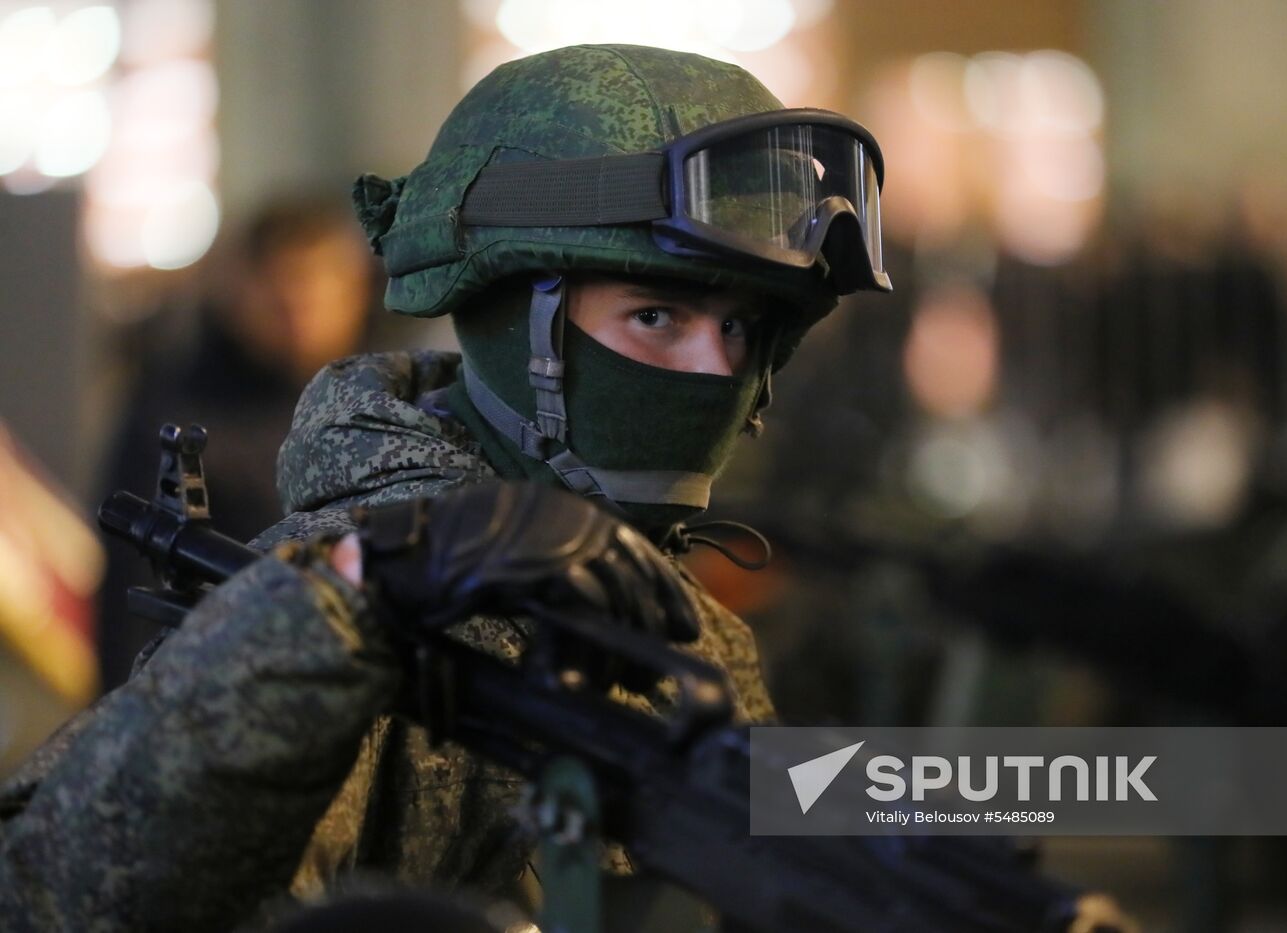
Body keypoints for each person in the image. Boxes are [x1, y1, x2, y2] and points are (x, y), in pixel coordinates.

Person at [0, 44, 891, 931]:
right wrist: (349, 600)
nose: (716, 366)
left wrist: (1003, 788)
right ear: (516, 324)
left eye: (741, 324)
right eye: (657, 315)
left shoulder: (684, 619)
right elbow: (51, 890)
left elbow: (818, 814)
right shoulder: (345, 622)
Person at [95, 197, 376, 690]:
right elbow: (130, 590)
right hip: (218, 693)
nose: (300, 314)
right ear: (237, 291)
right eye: (282, 290)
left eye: (320, 289)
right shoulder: (175, 410)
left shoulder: (387, 403)